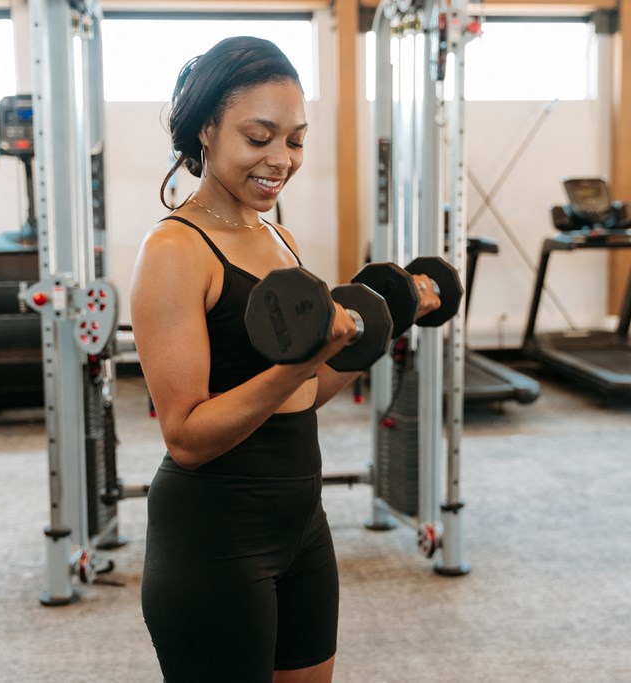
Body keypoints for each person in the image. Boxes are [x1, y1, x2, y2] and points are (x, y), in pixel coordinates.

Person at [131, 36, 440, 683]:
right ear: (207, 130)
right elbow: (186, 436)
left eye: (295, 140)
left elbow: (304, 392)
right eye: (260, 136)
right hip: (213, 538)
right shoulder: (174, 251)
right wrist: (298, 364)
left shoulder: (277, 235)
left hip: (302, 525)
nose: (281, 160)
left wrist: (378, 325)